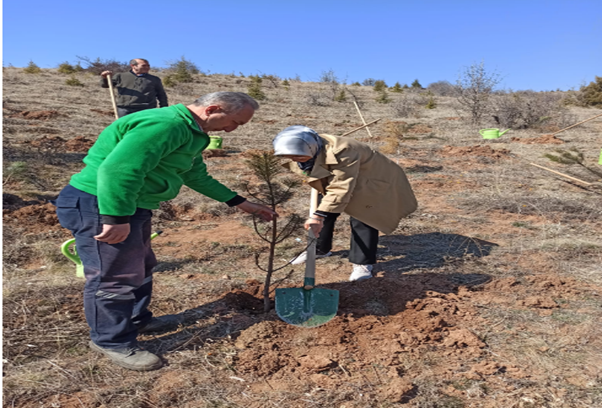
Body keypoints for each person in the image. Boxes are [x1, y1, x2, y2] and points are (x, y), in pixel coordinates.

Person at [54, 92, 276, 371]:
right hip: (102, 202)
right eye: (234, 122)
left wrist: (241, 203)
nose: (231, 130)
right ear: (213, 108)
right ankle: (111, 340)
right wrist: (115, 216)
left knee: (140, 265)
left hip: (132, 204)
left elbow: (195, 175)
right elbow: (119, 169)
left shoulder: (192, 132)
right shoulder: (167, 125)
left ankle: (138, 319)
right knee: (114, 275)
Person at [273, 125, 417, 282]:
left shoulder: (344, 151)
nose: (294, 160)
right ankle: (320, 249)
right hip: (341, 177)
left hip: (373, 179)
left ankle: (362, 263)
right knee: (323, 209)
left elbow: (340, 187)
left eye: (298, 157)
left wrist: (319, 215)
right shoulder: (309, 145)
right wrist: (319, 214)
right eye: (292, 158)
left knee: (364, 217)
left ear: (312, 148)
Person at [100, 58, 168, 117]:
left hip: (146, 109)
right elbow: (106, 85)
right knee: (124, 128)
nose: (147, 67)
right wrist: (104, 78)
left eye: (148, 65)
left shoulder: (154, 79)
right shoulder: (120, 76)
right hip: (124, 109)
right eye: (144, 65)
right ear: (133, 66)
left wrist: (164, 108)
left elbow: (161, 95)